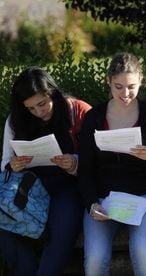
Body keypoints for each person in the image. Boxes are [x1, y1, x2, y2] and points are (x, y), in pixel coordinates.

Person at [78, 52, 146, 276]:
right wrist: (91, 204)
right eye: (118, 87)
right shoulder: (94, 117)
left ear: (141, 81)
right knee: (95, 259)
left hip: (144, 198)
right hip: (104, 200)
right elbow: (85, 170)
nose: (125, 94)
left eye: (131, 87)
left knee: (141, 249)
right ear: (108, 82)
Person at [0, 66, 91, 275]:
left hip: (67, 187)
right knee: (6, 224)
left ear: (52, 92)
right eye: (31, 108)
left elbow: (97, 159)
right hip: (28, 187)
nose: (39, 112)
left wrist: (74, 163)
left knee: (62, 230)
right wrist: (13, 165)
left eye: (42, 104)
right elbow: (5, 161)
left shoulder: (77, 110)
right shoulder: (15, 119)